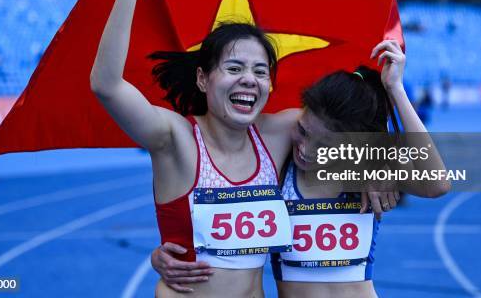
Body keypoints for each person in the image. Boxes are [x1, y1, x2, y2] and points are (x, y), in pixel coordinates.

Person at [91, 0, 304, 297]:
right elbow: (106, 85)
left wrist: (374, 176)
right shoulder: (176, 138)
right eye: (234, 68)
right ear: (204, 79)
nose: (249, 80)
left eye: (260, 71)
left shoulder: (278, 134)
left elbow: (359, 129)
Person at [151, 42, 451, 297]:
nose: (306, 150)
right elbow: (218, 218)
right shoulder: (275, 168)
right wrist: (167, 253)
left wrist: (395, 90)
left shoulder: (363, 169)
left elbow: (436, 184)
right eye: (304, 132)